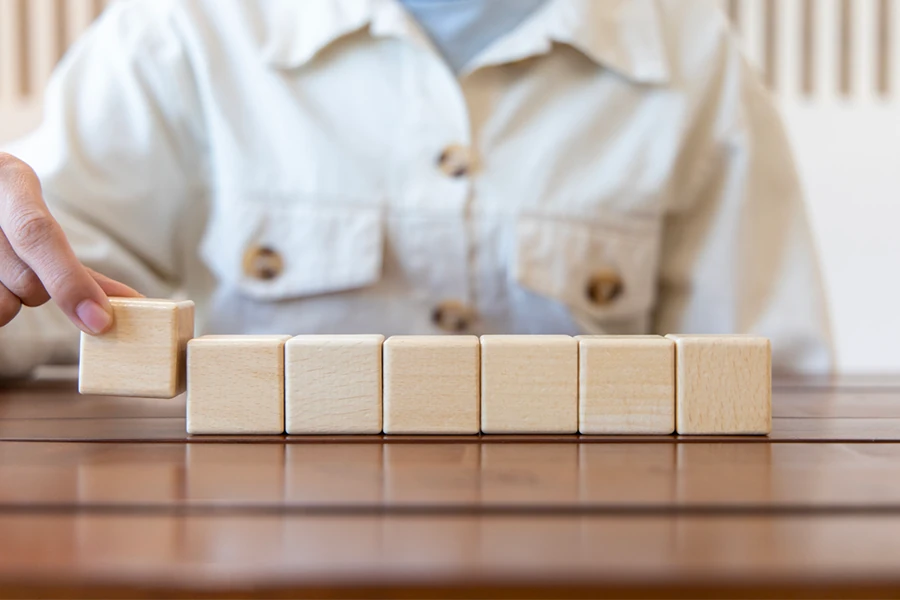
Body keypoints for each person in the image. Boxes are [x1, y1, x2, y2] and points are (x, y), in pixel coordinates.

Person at [0, 0, 833, 377]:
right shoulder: (181, 28)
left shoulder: (691, 48)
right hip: (255, 565)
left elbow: (768, 384)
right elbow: (38, 298)